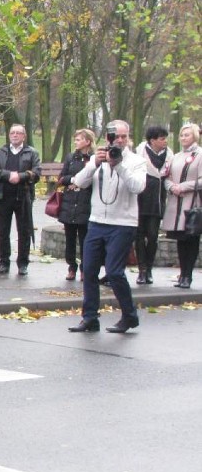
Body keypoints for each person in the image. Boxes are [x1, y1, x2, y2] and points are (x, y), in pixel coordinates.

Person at [68, 120, 146, 334]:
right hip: (96, 222)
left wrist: (118, 165)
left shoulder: (136, 161)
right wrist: (94, 163)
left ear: (129, 137)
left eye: (123, 136)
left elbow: (138, 187)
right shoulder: (97, 158)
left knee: (114, 272)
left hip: (123, 223)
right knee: (90, 270)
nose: (119, 141)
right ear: (107, 138)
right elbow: (78, 182)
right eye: (115, 137)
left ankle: (129, 316)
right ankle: (90, 317)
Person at [0, 124, 42, 276]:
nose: (15, 135)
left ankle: (23, 264)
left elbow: (37, 173)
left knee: (24, 232)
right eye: (12, 133)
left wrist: (21, 176)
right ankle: (3, 262)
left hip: (23, 196)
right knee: (3, 231)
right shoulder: (1, 152)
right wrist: (8, 175)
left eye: (18, 133)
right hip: (3, 196)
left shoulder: (32, 153)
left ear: (24, 136)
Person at [161, 123, 201, 288]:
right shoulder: (175, 156)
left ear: (195, 136)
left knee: (191, 239)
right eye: (182, 135)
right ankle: (182, 273)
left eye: (187, 135)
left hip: (192, 203)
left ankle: (187, 275)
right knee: (180, 240)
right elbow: (166, 176)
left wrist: (183, 187)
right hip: (175, 203)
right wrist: (171, 187)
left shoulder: (200, 155)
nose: (183, 138)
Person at [134, 126, 172, 285]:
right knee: (138, 237)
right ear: (152, 140)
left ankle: (149, 267)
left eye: (165, 138)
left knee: (153, 236)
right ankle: (142, 269)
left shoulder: (169, 156)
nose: (165, 141)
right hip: (139, 201)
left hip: (157, 202)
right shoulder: (139, 152)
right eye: (162, 138)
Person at [57, 129, 96, 281]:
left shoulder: (93, 159)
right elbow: (62, 178)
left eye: (79, 139)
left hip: (86, 203)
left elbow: (94, 179)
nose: (76, 142)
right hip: (69, 203)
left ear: (87, 141)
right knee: (70, 239)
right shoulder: (71, 158)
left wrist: (82, 183)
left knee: (85, 239)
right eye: (75, 139)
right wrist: (74, 180)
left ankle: (84, 269)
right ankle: (71, 266)